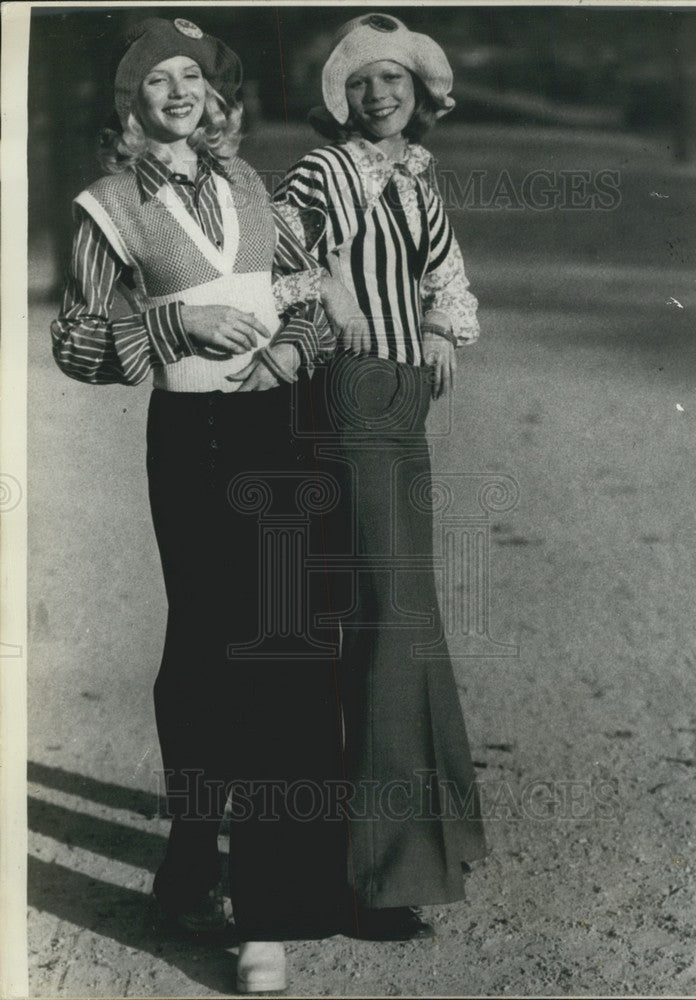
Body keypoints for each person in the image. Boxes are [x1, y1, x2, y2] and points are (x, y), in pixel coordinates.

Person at [51, 16, 362, 993]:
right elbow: (74, 342)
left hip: (283, 428)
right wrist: (174, 318)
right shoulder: (106, 206)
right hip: (193, 443)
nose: (177, 92)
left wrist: (284, 351)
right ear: (131, 102)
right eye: (156, 81)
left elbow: (313, 303)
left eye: (192, 76)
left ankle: (266, 906)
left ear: (215, 93)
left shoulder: (253, 185)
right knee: (201, 652)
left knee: (282, 646)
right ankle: (194, 847)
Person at [274, 12, 487, 944]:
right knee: (386, 613)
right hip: (350, 397)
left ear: (418, 94)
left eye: (396, 82)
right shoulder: (323, 170)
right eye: (364, 84)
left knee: (412, 609)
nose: (382, 96)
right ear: (342, 97)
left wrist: (443, 328)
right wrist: (330, 287)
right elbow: (273, 252)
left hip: (407, 398)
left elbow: (445, 269)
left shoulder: (416, 173)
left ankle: (433, 841)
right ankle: (380, 876)